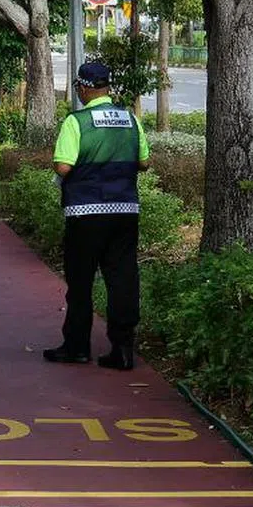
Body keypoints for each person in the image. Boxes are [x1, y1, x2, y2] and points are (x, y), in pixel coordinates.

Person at [43, 61, 150, 371]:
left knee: (80, 280)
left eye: (79, 87)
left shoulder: (77, 122)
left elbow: (63, 166)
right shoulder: (130, 119)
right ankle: (123, 349)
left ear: (85, 87)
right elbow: (144, 162)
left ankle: (77, 346)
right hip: (125, 211)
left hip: (85, 212)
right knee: (123, 278)